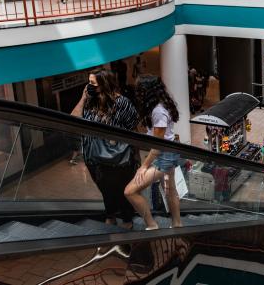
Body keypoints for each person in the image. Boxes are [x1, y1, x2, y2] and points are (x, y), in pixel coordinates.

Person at [71, 68, 139, 229]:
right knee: (106, 191)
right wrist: (83, 97)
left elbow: (133, 128)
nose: (89, 86)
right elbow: (73, 120)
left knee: (122, 192)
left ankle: (127, 222)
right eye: (88, 83)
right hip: (93, 158)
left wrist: (135, 155)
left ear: (103, 84)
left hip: (117, 159)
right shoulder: (89, 101)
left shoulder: (121, 102)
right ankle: (111, 218)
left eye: (92, 83)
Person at [124, 74, 182, 230]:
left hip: (163, 156)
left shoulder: (158, 111)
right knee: (170, 190)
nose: (137, 93)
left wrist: (144, 166)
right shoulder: (160, 105)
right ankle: (177, 224)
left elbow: (157, 146)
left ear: (146, 91)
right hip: (169, 152)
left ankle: (152, 224)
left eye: (139, 90)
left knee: (130, 191)